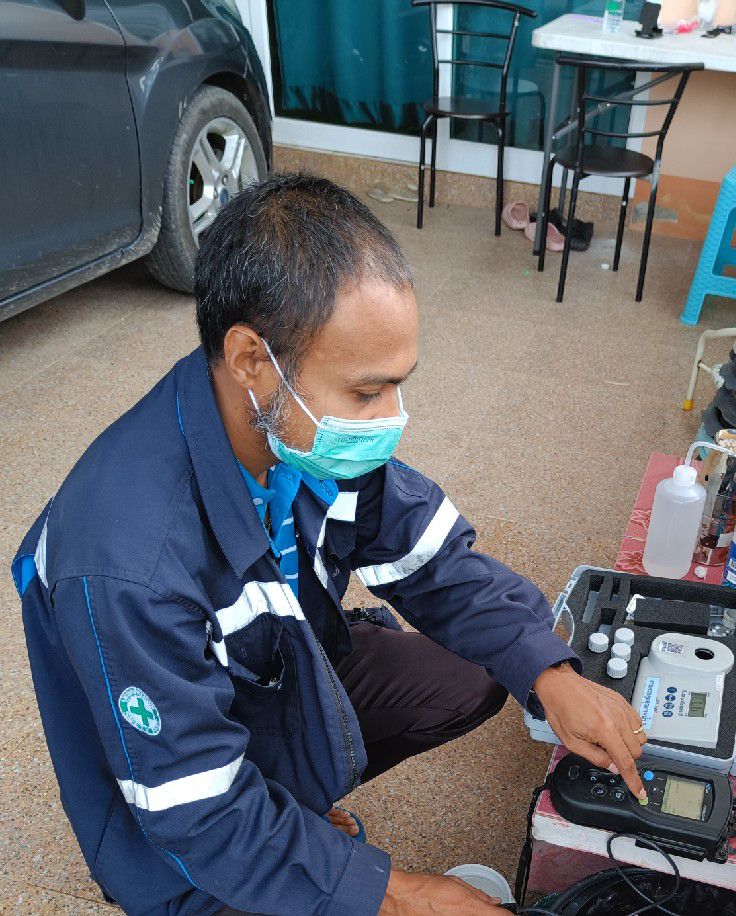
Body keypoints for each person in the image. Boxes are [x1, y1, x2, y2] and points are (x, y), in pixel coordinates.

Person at [13, 174, 648, 916]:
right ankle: (268, 849)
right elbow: (198, 813)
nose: (390, 419)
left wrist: (551, 674)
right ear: (253, 357)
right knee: (262, 872)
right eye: (366, 392)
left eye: (398, 387)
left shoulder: (289, 430)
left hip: (268, 679)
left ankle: (290, 817)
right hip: (167, 813)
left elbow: (438, 563)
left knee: (479, 669)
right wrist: (402, 896)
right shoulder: (130, 557)